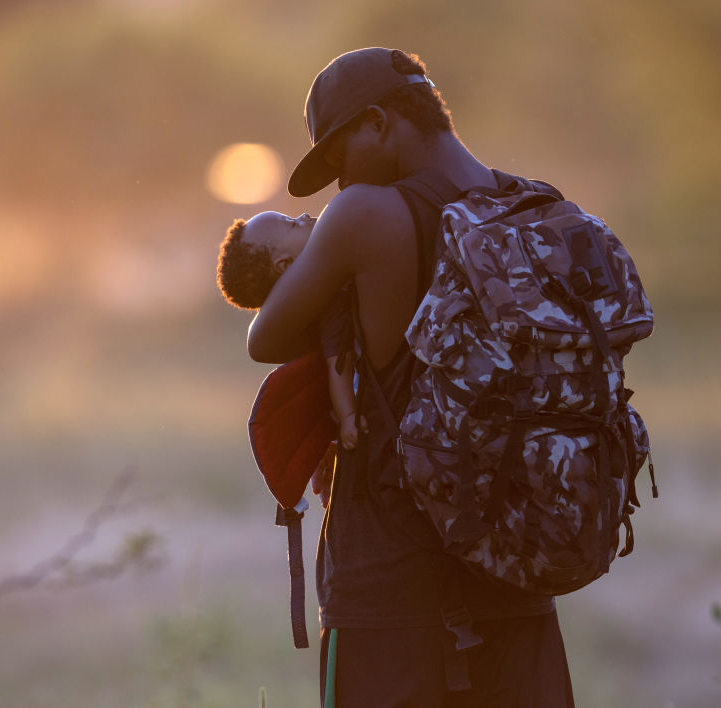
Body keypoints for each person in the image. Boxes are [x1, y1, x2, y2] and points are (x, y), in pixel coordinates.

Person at [247, 48, 575, 707]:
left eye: (338, 156)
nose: (339, 182)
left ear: (376, 122)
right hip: (515, 578)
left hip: (390, 593)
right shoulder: (536, 210)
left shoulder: (366, 214)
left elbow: (266, 338)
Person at [217, 211, 357, 503]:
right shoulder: (329, 299)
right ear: (285, 265)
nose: (305, 215)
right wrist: (348, 417)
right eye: (293, 223)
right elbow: (338, 365)